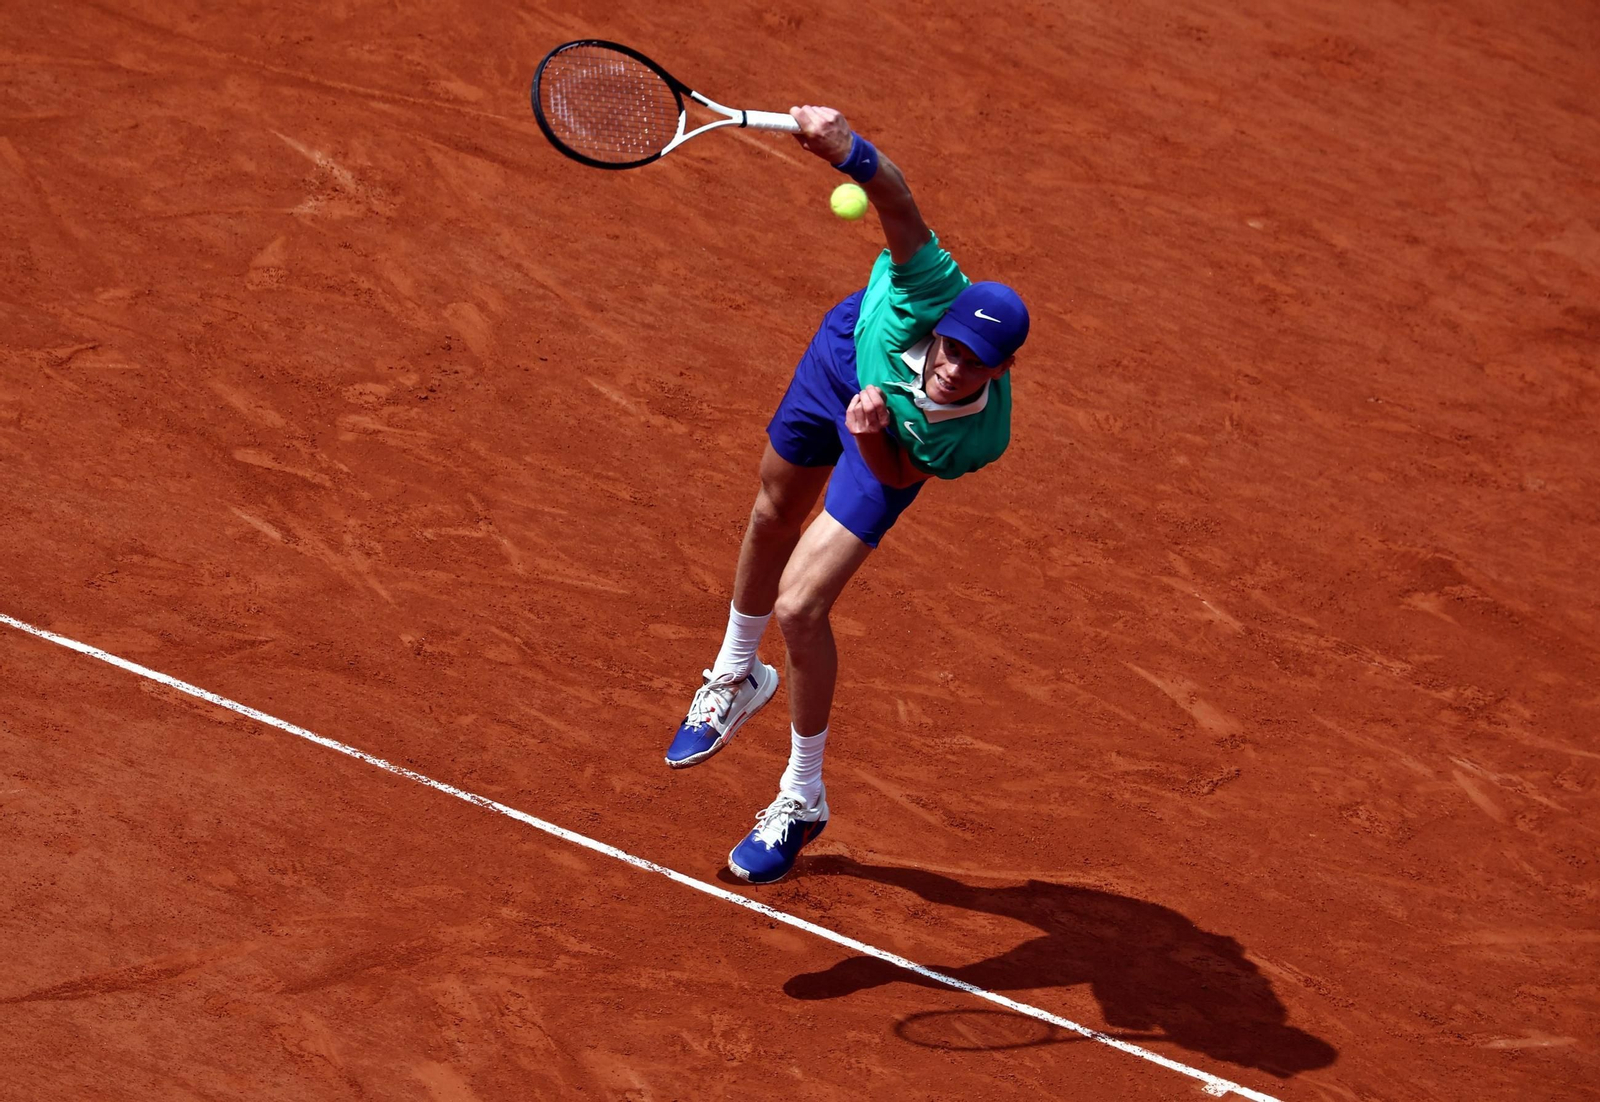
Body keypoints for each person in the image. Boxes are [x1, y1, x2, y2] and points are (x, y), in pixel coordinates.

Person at [664, 104, 1031, 884]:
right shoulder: (930, 284)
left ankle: (802, 796)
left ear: (999, 373)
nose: (956, 366)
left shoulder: (975, 435)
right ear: (947, 320)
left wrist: (868, 433)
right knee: (772, 511)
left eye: (978, 364)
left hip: (887, 442)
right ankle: (735, 674)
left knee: (801, 609)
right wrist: (846, 149)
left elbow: (900, 477)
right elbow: (897, 200)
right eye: (954, 345)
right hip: (841, 358)